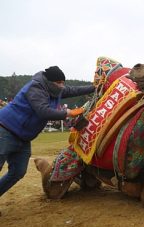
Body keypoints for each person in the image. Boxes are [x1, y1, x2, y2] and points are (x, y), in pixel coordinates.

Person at [0, 66, 95, 197]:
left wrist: (95, 87)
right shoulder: (35, 88)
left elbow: (74, 89)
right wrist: (68, 113)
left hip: (23, 138)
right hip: (5, 130)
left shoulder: (55, 89)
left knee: (18, 172)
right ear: (49, 82)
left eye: (63, 83)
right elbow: (43, 111)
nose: (62, 86)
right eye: (58, 83)